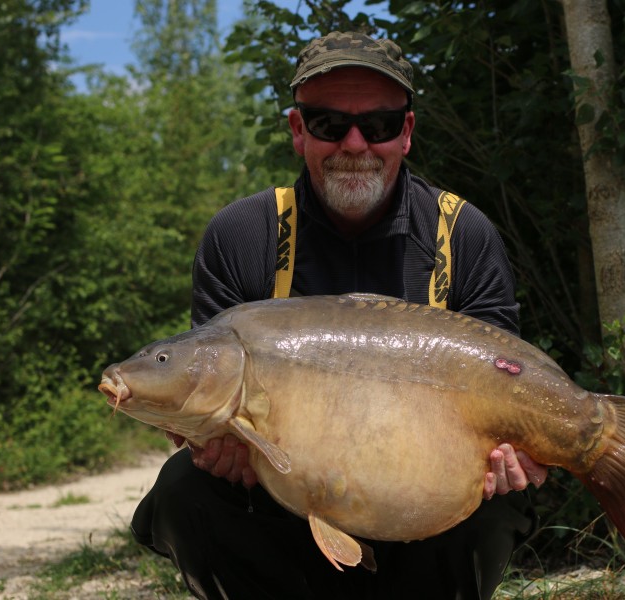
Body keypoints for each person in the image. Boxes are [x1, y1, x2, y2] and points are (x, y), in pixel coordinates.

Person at [131, 31, 547, 600]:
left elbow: (506, 393)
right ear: (299, 131)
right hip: (280, 510)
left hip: (424, 510)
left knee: (499, 500)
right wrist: (220, 449)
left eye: (376, 125)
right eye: (329, 124)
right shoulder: (241, 237)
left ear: (405, 133)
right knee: (185, 489)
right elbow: (205, 408)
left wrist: (519, 454)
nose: (354, 143)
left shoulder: (464, 236)